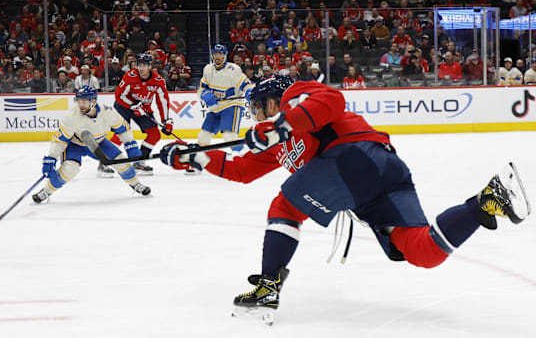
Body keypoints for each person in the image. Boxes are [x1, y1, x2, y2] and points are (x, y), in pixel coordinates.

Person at [159, 75, 530, 324]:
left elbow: (330, 100)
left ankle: (268, 286)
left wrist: (280, 126)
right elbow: (241, 171)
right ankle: (485, 200)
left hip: (357, 157)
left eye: (259, 108)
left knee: (285, 206)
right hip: (379, 180)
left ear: (274, 102)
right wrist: (192, 157)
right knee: (421, 252)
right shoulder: (273, 141)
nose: (256, 115)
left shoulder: (294, 98)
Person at [31, 86, 151, 204]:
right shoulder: (71, 117)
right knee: (69, 169)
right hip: (75, 144)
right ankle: (46, 191)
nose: (80, 105)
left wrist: (131, 145)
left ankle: (136, 184)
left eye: (84, 102)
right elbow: (59, 141)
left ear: (93, 101)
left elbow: (123, 129)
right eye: (78, 101)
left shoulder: (107, 112)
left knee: (121, 162)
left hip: (98, 143)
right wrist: (51, 158)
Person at [194, 44, 254, 173]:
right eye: (216, 54)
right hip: (215, 107)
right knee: (203, 136)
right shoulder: (208, 69)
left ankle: (243, 161)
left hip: (231, 106)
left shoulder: (234, 69)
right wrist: (204, 94)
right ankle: (198, 161)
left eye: (220, 54)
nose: (218, 57)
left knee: (229, 136)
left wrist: (250, 92)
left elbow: (247, 84)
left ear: (225, 56)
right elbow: (201, 88)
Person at [112, 53, 171, 176]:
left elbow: (163, 101)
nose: (141, 68)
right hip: (123, 106)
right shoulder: (130, 76)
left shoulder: (158, 81)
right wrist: (133, 105)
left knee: (154, 134)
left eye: (144, 65)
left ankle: (139, 161)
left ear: (150, 66)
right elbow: (119, 95)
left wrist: (166, 120)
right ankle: (104, 162)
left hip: (143, 109)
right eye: (139, 65)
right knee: (122, 133)